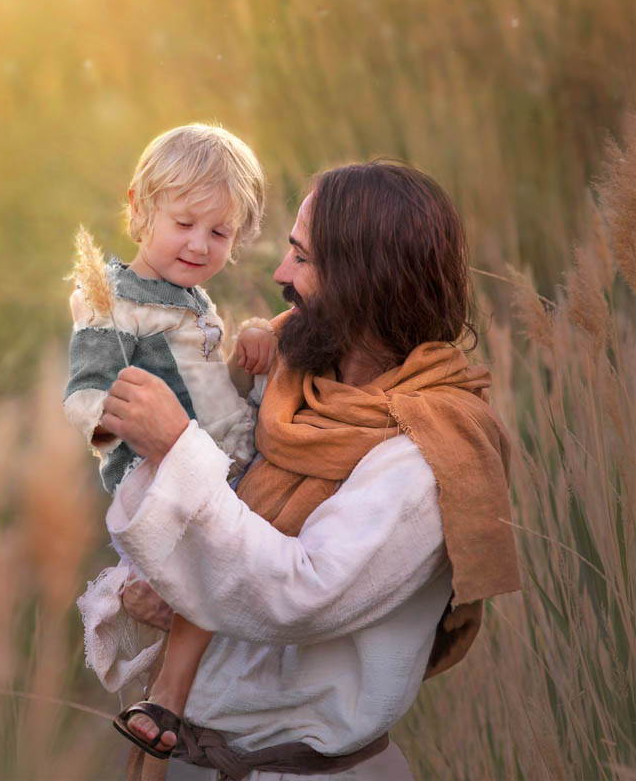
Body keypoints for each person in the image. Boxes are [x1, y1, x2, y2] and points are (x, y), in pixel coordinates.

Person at [84, 160, 521, 780]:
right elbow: (223, 516)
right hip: (189, 761)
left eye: (302, 257)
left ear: (365, 281)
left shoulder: (429, 452)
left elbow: (299, 595)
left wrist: (176, 446)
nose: (280, 274)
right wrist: (153, 584)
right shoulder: (289, 381)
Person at [64, 124, 280, 756]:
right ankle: (169, 692)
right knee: (214, 565)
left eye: (219, 233)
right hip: (159, 477)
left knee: (241, 560)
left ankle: (194, 685)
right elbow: (84, 397)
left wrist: (252, 345)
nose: (198, 244)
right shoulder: (113, 300)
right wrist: (132, 429)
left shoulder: (194, 301)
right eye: (184, 222)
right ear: (139, 207)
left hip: (210, 462)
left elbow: (209, 393)